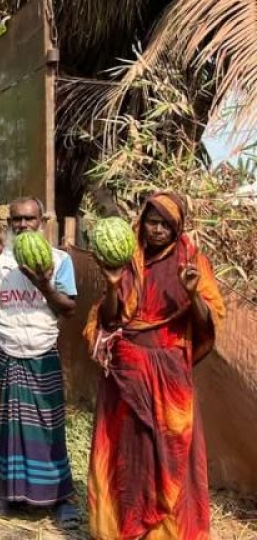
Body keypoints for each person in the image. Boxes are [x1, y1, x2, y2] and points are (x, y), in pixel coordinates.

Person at [84, 191, 225, 540]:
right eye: (152, 221)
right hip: (126, 373)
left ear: (178, 227)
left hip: (169, 375)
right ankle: (126, 528)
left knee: (170, 453)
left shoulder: (192, 261)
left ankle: (167, 533)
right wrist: (113, 286)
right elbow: (110, 320)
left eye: (166, 224)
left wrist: (192, 294)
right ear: (142, 221)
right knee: (129, 450)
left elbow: (209, 321)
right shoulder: (128, 259)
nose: (157, 230)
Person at [0, 196, 79, 529]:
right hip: (8, 349)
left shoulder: (59, 260)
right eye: (17, 219)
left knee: (50, 426)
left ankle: (60, 498)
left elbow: (68, 309)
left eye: (30, 219)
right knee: (10, 427)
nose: (23, 225)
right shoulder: (0, 259)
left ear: (42, 222)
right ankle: (11, 492)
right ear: (9, 222)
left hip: (42, 351)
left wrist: (43, 282)